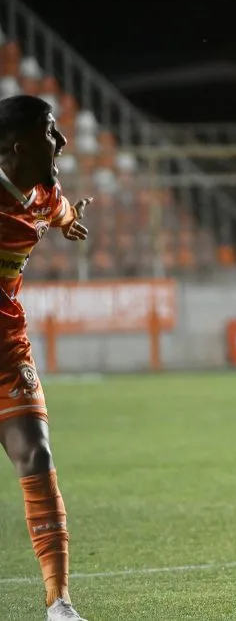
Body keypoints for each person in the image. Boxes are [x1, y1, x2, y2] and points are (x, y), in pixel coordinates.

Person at [0, 95, 93, 621]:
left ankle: (59, 604)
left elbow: (54, 208)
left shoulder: (43, 192)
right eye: (50, 133)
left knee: (36, 456)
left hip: (8, 352)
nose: (61, 142)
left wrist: (68, 220)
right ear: (18, 146)